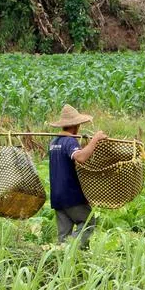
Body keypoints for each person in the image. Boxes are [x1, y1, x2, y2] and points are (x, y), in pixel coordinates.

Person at [47, 104, 107, 246]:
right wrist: (95, 140)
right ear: (76, 126)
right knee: (88, 223)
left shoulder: (54, 142)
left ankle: (64, 261)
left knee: (64, 234)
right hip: (71, 195)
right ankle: (69, 249)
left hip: (57, 196)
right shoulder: (69, 141)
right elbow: (80, 157)